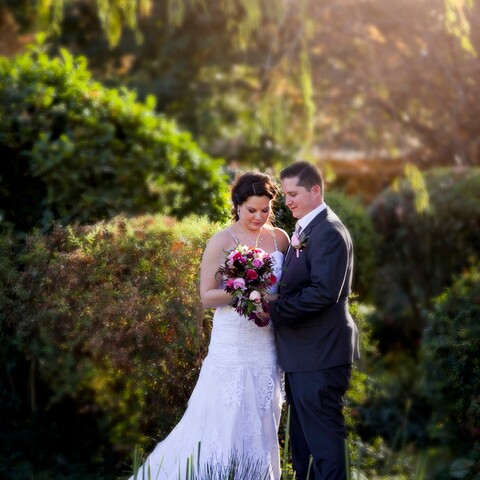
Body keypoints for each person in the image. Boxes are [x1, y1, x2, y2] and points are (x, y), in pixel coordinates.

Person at [129, 171, 290, 480]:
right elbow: (207, 296)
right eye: (251, 210)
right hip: (233, 343)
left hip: (266, 342)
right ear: (238, 205)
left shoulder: (280, 238)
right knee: (224, 416)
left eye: (265, 209)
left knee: (263, 415)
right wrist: (243, 291)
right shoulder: (222, 240)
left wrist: (271, 297)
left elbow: (287, 288)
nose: (259, 217)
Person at [268, 161, 360, 480]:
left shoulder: (329, 231)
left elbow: (323, 292)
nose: (287, 201)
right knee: (303, 446)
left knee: (324, 444)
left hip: (320, 354)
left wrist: (274, 310)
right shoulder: (307, 229)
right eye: (285, 194)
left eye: (293, 194)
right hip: (305, 354)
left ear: (315, 190)